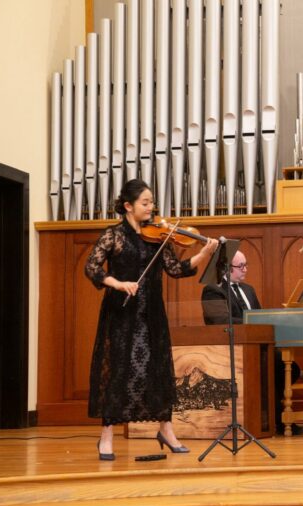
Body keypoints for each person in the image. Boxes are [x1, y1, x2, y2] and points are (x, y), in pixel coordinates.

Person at [85, 179, 219, 460]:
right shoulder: (114, 235)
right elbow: (92, 267)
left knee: (157, 370)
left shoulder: (159, 236)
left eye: (151, 202)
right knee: (119, 370)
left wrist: (203, 253)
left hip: (152, 313)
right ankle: (106, 435)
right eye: (145, 203)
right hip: (121, 312)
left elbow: (175, 268)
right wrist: (118, 283)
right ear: (128, 206)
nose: (151, 207)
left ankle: (166, 429)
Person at [201, 250, 303, 436]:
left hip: (257, 347)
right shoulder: (213, 289)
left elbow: (260, 317)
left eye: (246, 264)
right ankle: (269, 421)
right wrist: (251, 323)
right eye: (240, 266)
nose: (245, 270)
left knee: (287, 365)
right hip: (232, 350)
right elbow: (219, 322)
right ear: (226, 268)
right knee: (277, 364)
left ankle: (274, 419)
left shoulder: (248, 289)